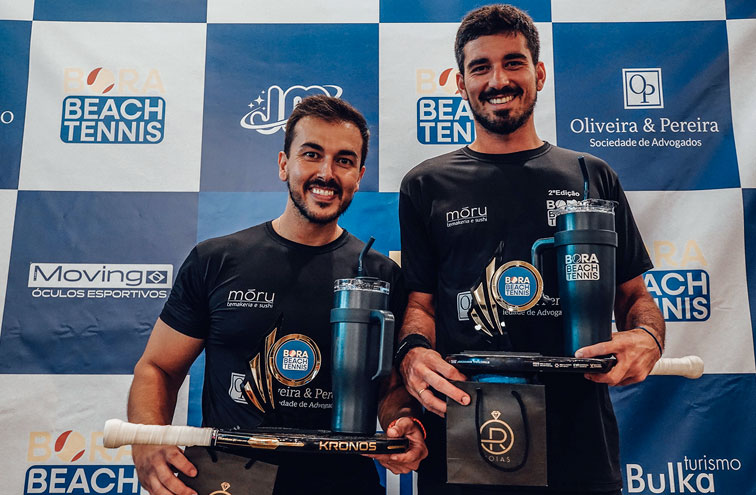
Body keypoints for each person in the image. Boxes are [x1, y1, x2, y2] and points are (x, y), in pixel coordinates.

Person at [395, 5, 665, 495]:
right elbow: (421, 305)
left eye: (513, 63)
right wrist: (413, 352)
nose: (498, 80)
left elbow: (635, 297)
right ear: (461, 84)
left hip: (578, 437)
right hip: (466, 432)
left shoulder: (592, 175)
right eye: (480, 67)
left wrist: (648, 337)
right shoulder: (425, 185)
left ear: (538, 74)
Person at [127, 94, 427, 495]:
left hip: (341, 482)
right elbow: (158, 368)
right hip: (230, 482)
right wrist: (147, 440)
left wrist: (402, 421)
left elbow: (389, 388)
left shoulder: (382, 276)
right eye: (311, 154)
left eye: (343, 160)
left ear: (359, 176)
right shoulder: (216, 260)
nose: (326, 173)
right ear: (284, 164)